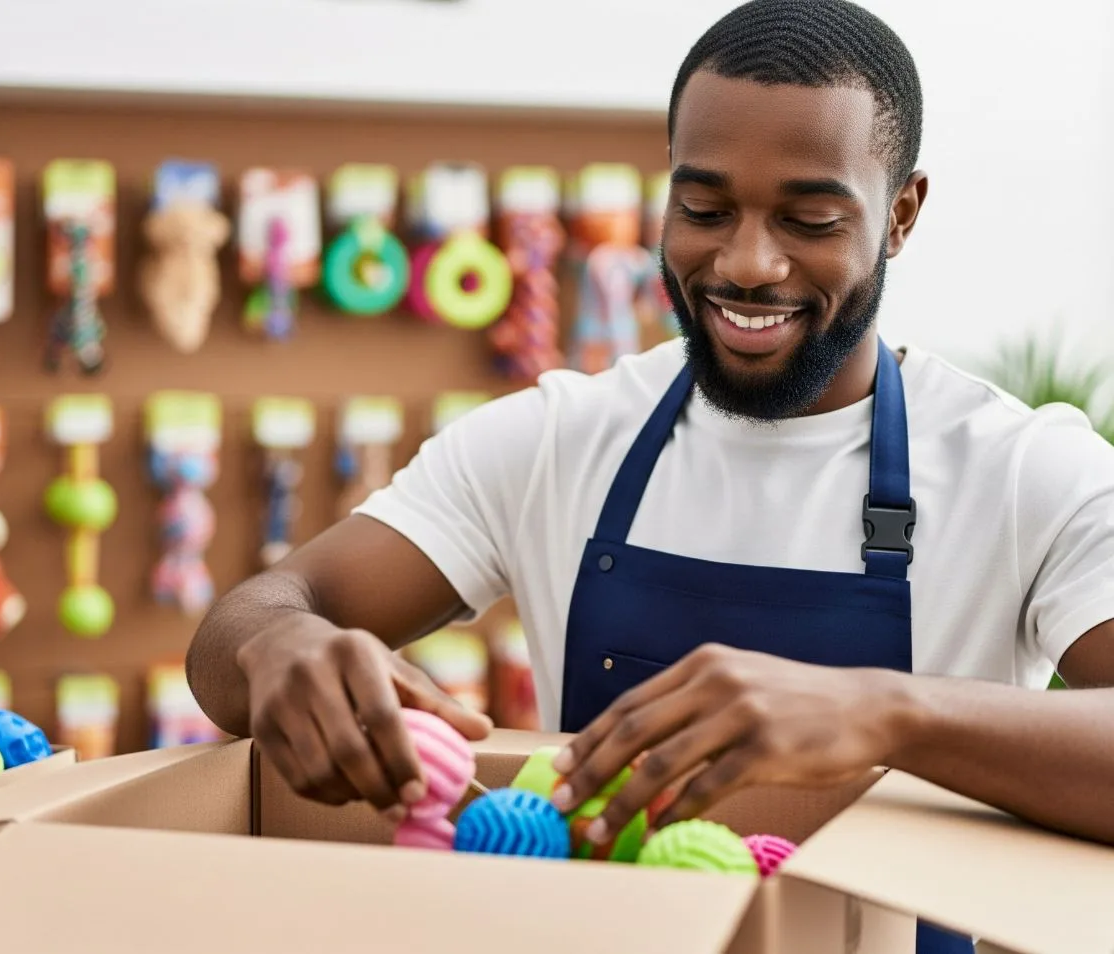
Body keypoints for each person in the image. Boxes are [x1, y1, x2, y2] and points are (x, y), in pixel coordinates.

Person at [187, 2, 1114, 951]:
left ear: (900, 215)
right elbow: (246, 627)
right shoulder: (551, 441)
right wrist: (278, 651)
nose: (746, 264)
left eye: (810, 218)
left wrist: (886, 714)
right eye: (703, 210)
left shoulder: (1025, 470)